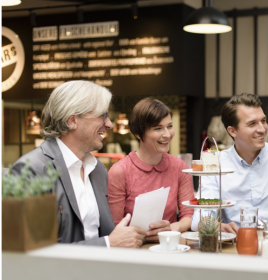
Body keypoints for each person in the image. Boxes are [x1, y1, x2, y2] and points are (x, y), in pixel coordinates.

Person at [11, 80, 146, 247]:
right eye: (103, 115)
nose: (109, 124)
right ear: (72, 121)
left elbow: (103, 234)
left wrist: (142, 233)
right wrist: (108, 244)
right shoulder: (31, 170)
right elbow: (32, 250)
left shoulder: (98, 169)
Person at [191, 93, 268, 236]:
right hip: (236, 247)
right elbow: (200, 218)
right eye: (252, 123)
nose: (262, 129)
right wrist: (217, 227)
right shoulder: (215, 164)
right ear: (232, 131)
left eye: (263, 121)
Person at [108, 98, 195, 242]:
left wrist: (172, 229)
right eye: (158, 128)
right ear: (138, 133)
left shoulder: (180, 168)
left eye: (170, 126)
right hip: (132, 250)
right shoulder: (120, 171)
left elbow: (189, 214)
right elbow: (114, 227)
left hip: (169, 246)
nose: (167, 134)